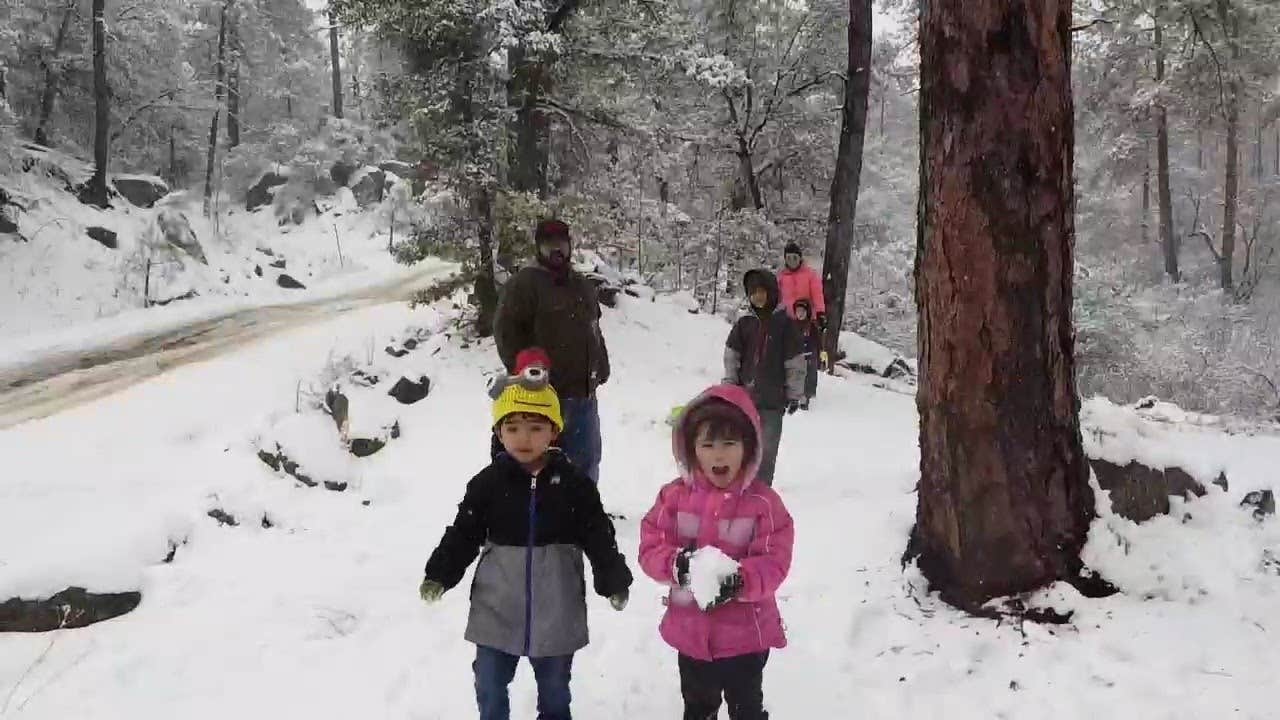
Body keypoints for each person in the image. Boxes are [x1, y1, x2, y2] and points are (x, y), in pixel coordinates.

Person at [419, 352, 632, 720]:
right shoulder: (487, 484)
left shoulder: (575, 486)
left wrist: (613, 578)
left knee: (554, 693)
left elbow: (598, 533)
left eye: (535, 427)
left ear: (554, 431)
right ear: (499, 432)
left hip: (557, 608)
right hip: (496, 607)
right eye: (512, 427)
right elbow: (464, 532)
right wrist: (440, 572)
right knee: (488, 683)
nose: (523, 438)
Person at [638, 385, 795, 720]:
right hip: (690, 633)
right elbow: (651, 544)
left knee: (746, 708)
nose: (718, 455)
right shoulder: (674, 498)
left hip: (746, 638)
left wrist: (740, 581)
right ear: (692, 449)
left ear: (748, 447)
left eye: (729, 444)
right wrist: (676, 565)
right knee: (698, 707)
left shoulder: (763, 505)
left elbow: (775, 560)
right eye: (707, 445)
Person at [495, 218, 610, 483]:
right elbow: (506, 334)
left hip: (584, 394)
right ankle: (543, 519)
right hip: (545, 397)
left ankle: (586, 514)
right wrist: (525, 374)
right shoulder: (524, 285)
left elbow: (594, 328)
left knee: (587, 461)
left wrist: (601, 366)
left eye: (561, 244)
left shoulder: (582, 285)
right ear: (538, 248)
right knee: (543, 465)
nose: (556, 250)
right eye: (549, 245)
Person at [723, 269, 805, 485]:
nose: (757, 297)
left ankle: (761, 491)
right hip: (744, 398)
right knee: (741, 445)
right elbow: (732, 355)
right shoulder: (745, 323)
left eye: (761, 292)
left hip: (772, 399)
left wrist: (794, 393)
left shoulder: (785, 324)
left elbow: (795, 361)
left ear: (771, 291)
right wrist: (730, 383)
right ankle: (738, 487)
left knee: (767, 449)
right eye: (752, 293)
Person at [778, 242, 826, 331]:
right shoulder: (782, 277)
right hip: (789, 321)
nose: (792, 261)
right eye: (789, 258)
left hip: (808, 319)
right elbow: (778, 298)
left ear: (800, 258)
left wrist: (820, 312)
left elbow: (817, 294)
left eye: (795, 258)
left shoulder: (810, 275)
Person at [792, 299, 821, 409]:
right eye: (798, 311)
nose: (800, 314)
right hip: (795, 356)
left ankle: (805, 398)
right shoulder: (792, 325)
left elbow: (817, 341)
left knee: (808, 378)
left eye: (802, 311)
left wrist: (818, 354)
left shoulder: (811, 326)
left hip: (809, 356)